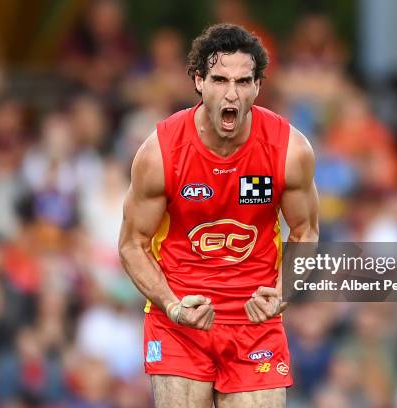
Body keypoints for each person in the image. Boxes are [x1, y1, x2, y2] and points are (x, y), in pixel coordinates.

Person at [119, 24, 319, 407]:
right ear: (198, 81)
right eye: (220, 79)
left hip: (255, 323)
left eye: (244, 81)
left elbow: (305, 231)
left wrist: (283, 293)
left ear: (258, 86)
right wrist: (172, 305)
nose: (231, 94)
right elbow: (132, 244)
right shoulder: (160, 152)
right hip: (179, 322)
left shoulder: (289, 150)